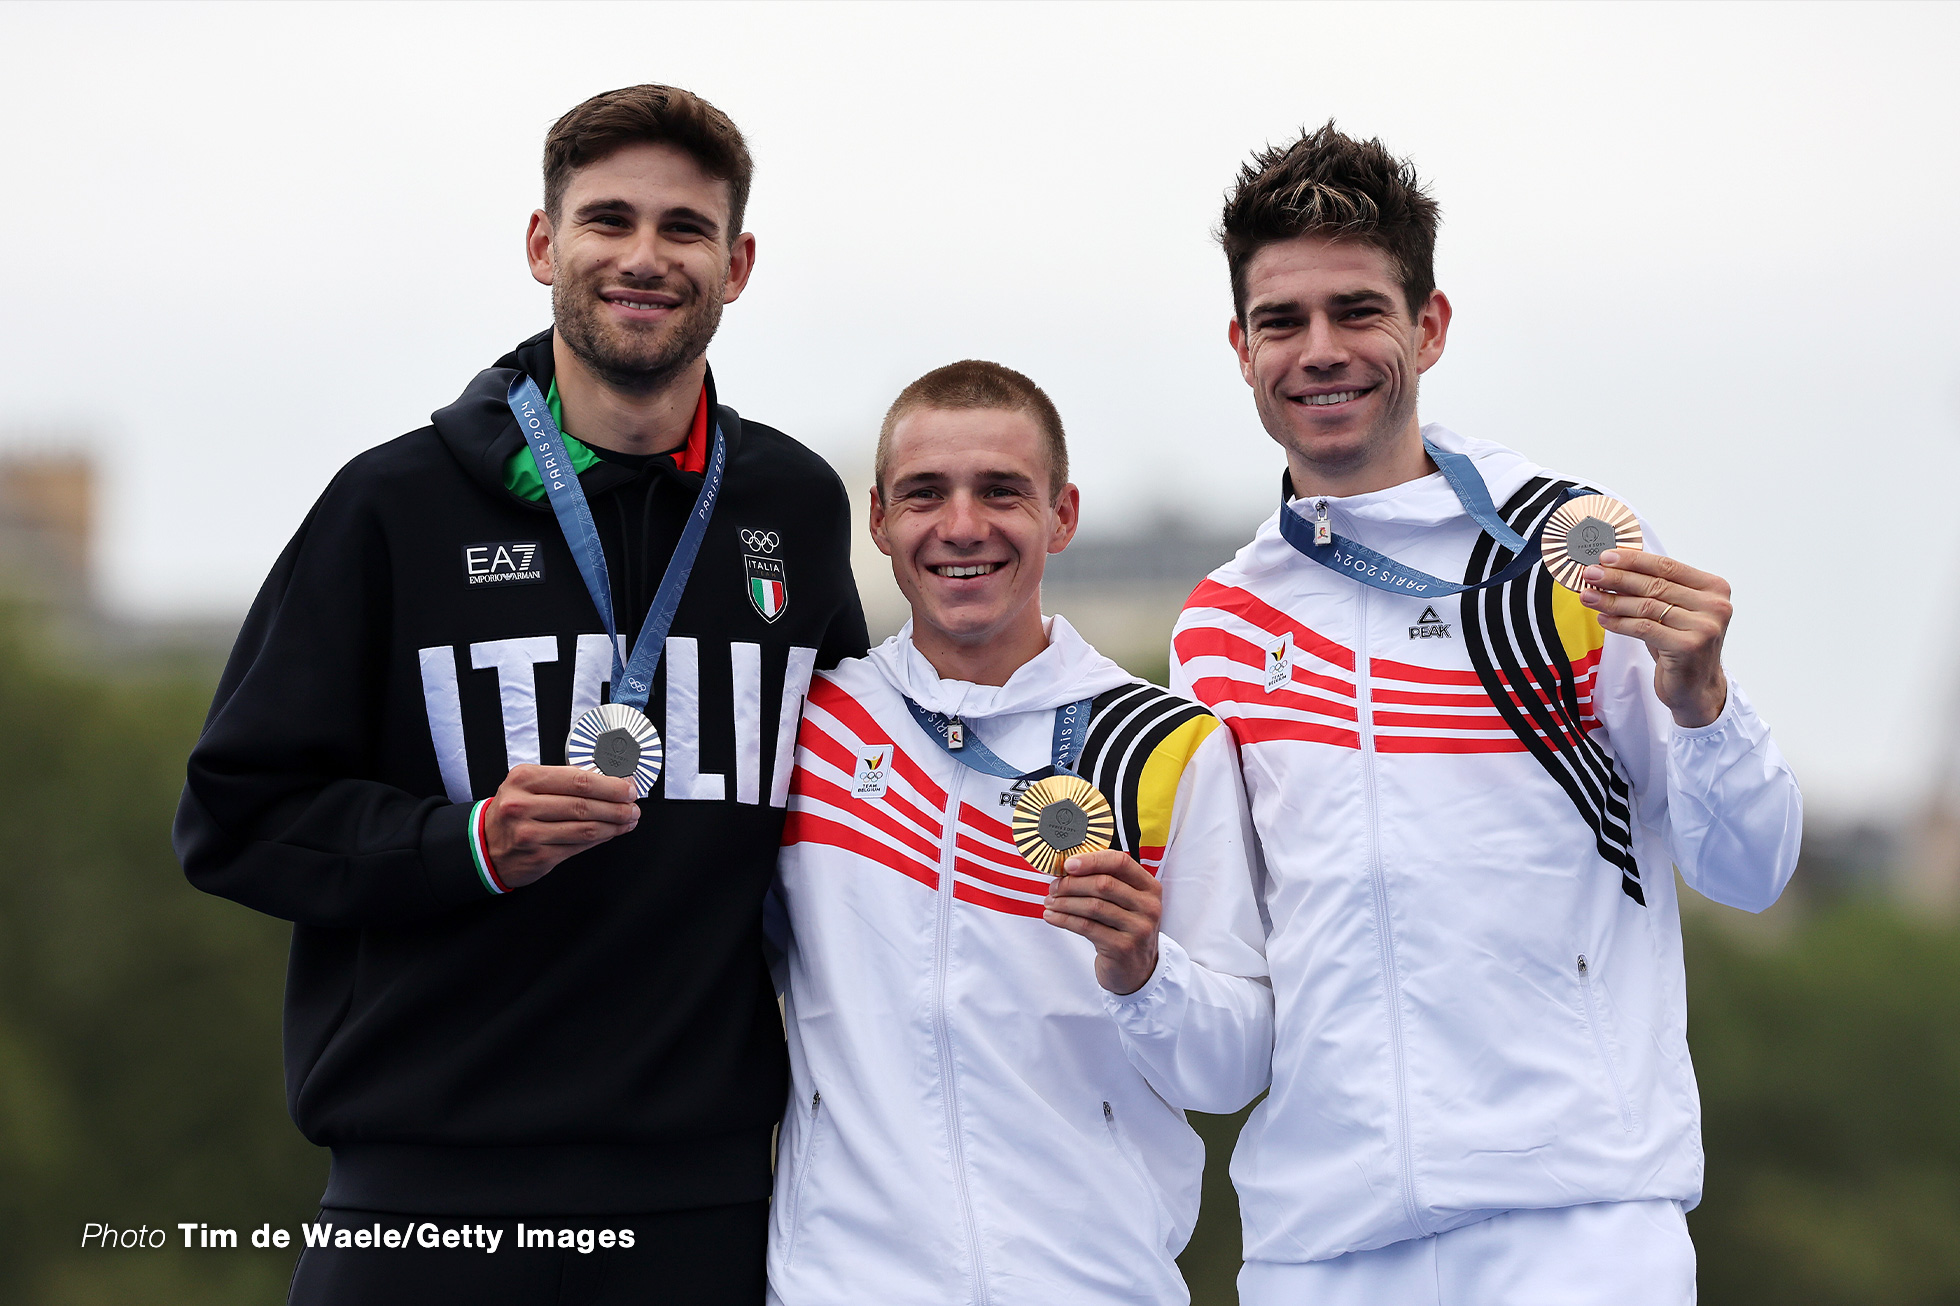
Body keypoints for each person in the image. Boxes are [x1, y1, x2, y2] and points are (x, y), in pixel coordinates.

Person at [173, 85, 866, 1306]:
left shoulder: (791, 510)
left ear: (737, 263)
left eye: (684, 229)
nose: (644, 257)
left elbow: (854, 822)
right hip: (423, 1208)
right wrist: (467, 844)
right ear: (545, 245)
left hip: (707, 1210)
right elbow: (235, 817)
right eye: (607, 220)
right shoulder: (393, 507)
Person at [1165, 124, 1803, 1304]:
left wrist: (1703, 702)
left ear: (1430, 325)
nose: (1320, 351)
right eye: (1281, 321)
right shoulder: (1217, 625)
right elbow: (1235, 989)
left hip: (1575, 1225)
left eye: (1358, 310)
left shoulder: (1574, 547)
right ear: (1239, 346)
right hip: (1318, 1243)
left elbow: (1754, 870)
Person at [766, 361, 1272, 1305]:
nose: (963, 527)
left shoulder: (1166, 746)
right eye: (925, 495)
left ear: (1062, 514)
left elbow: (1233, 1069)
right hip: (844, 1283)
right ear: (877, 520)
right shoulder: (812, 728)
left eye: (1002, 492)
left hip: (1094, 1284)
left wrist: (1143, 973)